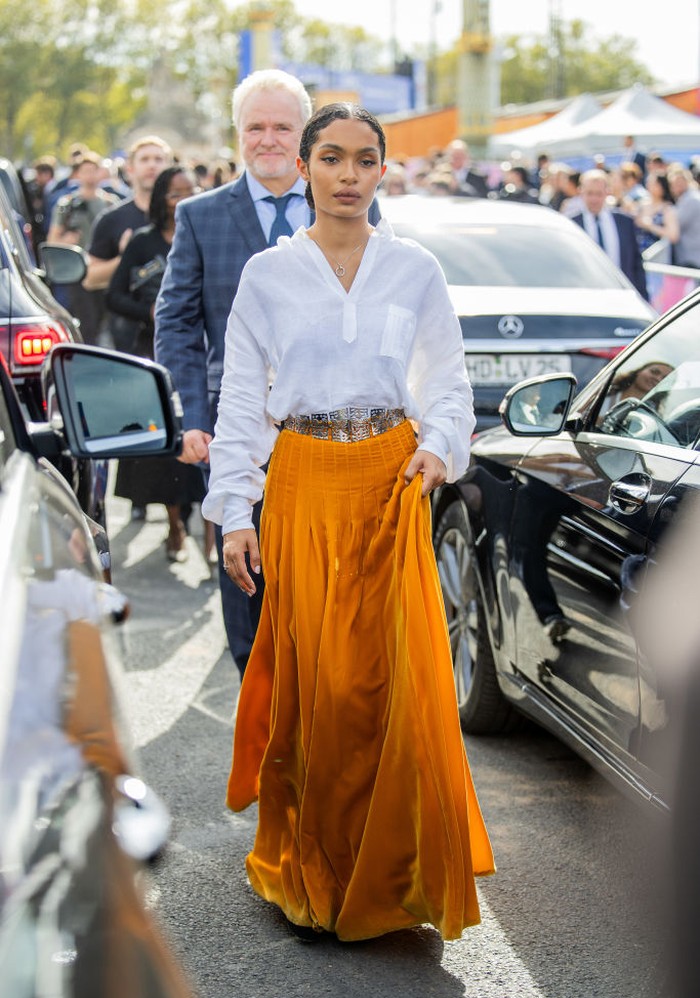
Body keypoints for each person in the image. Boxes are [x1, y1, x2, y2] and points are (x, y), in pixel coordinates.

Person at [202, 102, 495, 943]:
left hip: (390, 483)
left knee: (390, 683)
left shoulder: (416, 270)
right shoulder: (268, 275)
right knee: (322, 685)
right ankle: (316, 869)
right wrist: (234, 512)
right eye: (330, 158)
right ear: (303, 169)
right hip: (302, 484)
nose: (348, 174)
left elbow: (449, 383)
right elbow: (237, 407)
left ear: (381, 171)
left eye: (365, 160)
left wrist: (439, 448)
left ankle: (395, 870)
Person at [154, 69, 380, 677]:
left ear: (304, 135)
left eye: (283, 126)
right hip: (235, 426)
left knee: (329, 581)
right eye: (255, 127)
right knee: (245, 568)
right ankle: (261, 704)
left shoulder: (358, 205)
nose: (269, 139)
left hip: (331, 429)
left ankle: (319, 701)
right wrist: (192, 419)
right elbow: (177, 321)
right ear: (238, 135)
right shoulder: (201, 216)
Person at [106, 166, 209, 562]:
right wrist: (148, 311)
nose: (182, 198)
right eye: (174, 193)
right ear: (161, 198)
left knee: (205, 435)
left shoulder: (205, 232)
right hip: (153, 352)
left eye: (190, 190)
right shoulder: (144, 242)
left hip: (204, 352)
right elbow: (114, 296)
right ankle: (174, 522)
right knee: (169, 444)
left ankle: (209, 533)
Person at [85, 136, 173, 352]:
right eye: (145, 159)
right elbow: (91, 278)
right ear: (130, 169)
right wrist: (124, 258)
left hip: (179, 333)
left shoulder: (187, 215)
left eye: (158, 159)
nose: (152, 165)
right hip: (129, 336)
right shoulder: (112, 219)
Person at [47, 151, 114, 344]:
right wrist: (67, 239)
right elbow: (52, 240)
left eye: (94, 170)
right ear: (78, 174)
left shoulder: (110, 203)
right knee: (87, 322)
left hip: (103, 269)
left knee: (103, 320)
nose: (90, 176)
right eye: (85, 171)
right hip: (77, 270)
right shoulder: (67, 204)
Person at [572, 169, 648, 300]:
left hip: (623, 296)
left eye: (599, 194)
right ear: (581, 192)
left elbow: (636, 263)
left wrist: (643, 297)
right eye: (589, 193)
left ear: (607, 192)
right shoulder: (572, 225)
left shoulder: (624, 222)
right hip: (585, 297)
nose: (594, 199)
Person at [667, 164, 700, 268]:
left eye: (679, 183)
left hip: (693, 257)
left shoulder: (691, 199)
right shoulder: (688, 198)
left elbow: (675, 224)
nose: (676, 187)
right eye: (674, 184)